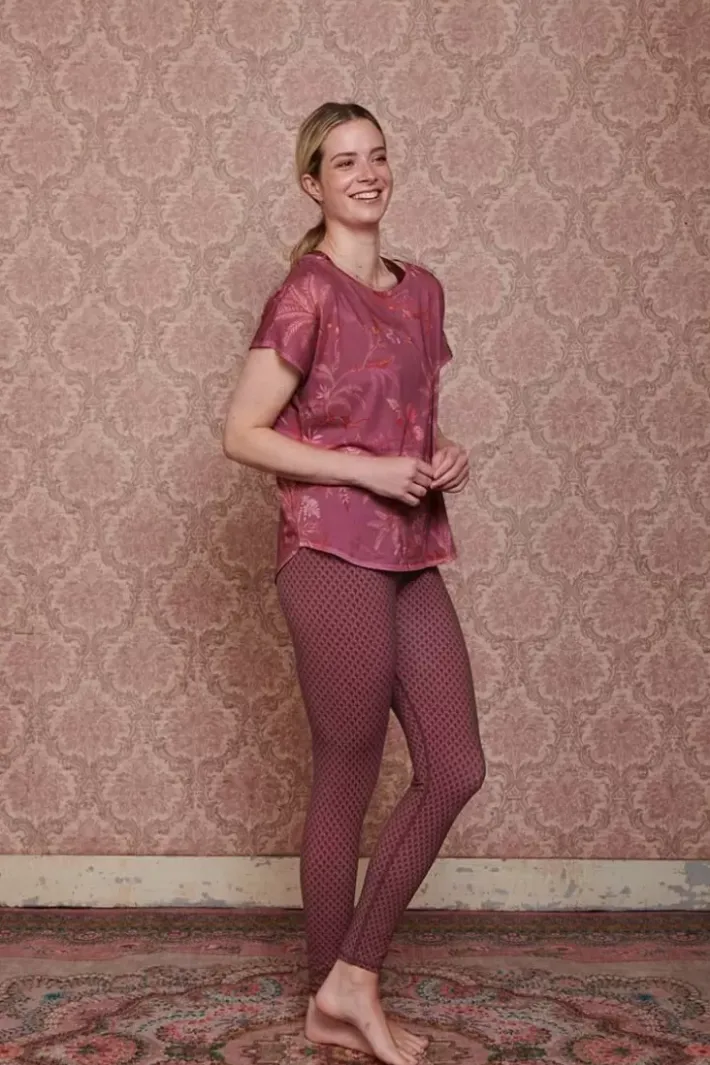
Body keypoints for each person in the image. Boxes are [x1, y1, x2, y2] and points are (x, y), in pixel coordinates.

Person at [223, 101, 485, 1065]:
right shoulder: (307, 291)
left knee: (456, 765)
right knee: (348, 768)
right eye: (344, 162)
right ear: (313, 183)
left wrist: (443, 453)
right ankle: (334, 994)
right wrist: (368, 472)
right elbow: (242, 432)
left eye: (377, 155)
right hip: (330, 550)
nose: (367, 173)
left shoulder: (424, 291)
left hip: (411, 548)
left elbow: (403, 415)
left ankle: (349, 977)